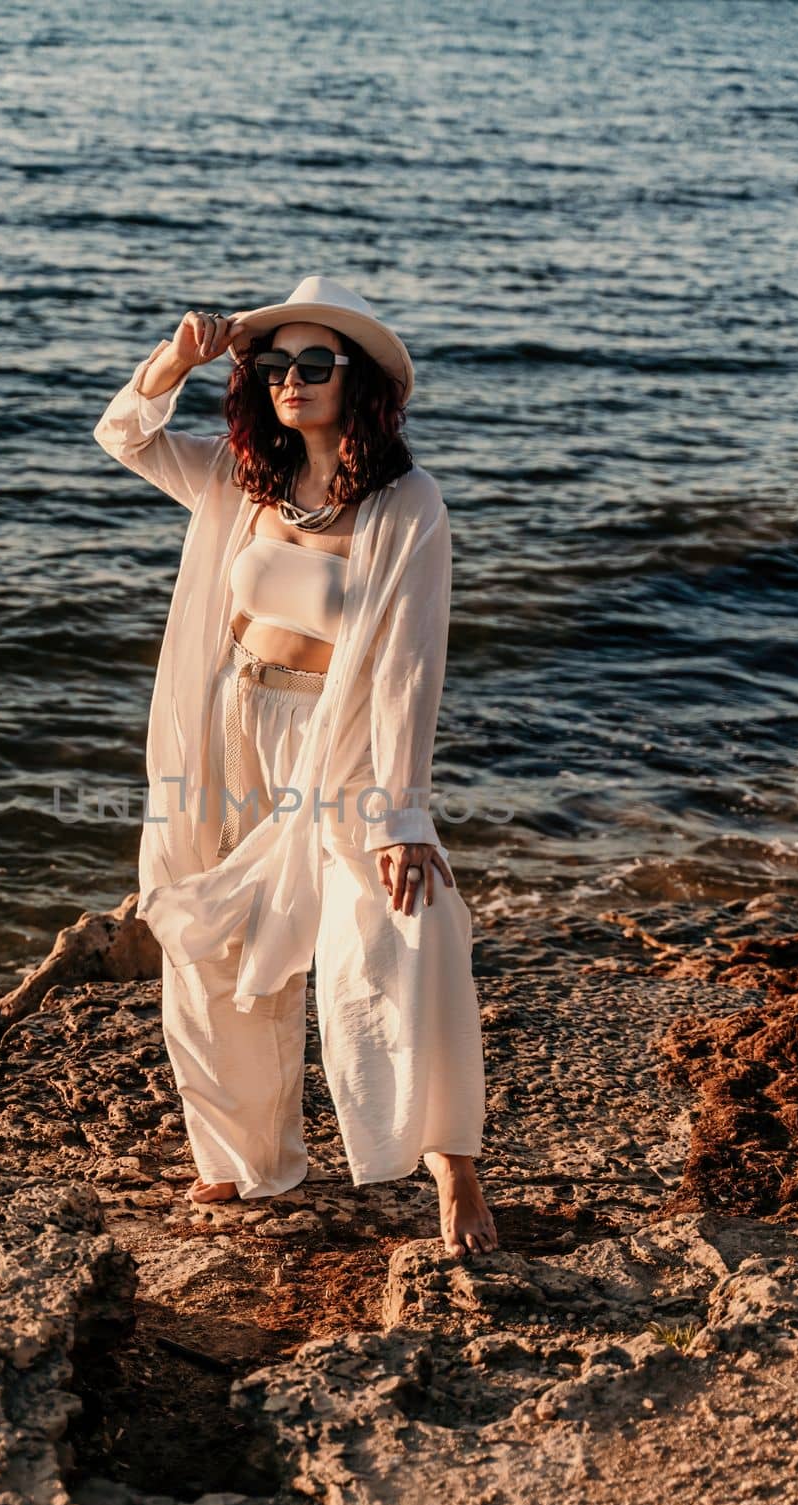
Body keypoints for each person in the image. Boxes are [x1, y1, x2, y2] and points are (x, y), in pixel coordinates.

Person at [94, 274, 496, 1257]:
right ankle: (244, 1157)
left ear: (357, 382)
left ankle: (452, 1162)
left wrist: (400, 816)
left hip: (341, 743)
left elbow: (407, 663)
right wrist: (180, 358)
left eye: (315, 364)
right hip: (231, 726)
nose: (291, 380)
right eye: (275, 364)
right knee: (207, 935)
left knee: (400, 927)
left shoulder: (406, 504)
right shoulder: (243, 479)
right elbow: (126, 437)